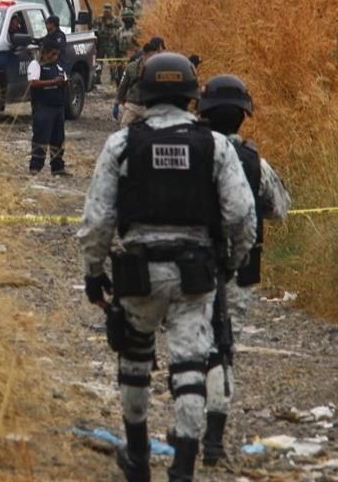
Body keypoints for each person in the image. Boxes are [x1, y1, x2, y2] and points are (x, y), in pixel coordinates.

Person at [77, 52, 256, 482]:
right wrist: (229, 265)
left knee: (134, 363)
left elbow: (97, 219)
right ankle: (182, 470)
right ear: (191, 95)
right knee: (190, 368)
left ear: (145, 91)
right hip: (196, 273)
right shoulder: (214, 145)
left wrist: (92, 273)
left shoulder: (122, 143)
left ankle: (137, 458)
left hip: (138, 271)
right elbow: (242, 217)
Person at [197, 74, 291, 467]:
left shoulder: (191, 150)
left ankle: (185, 426)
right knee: (223, 348)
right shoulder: (254, 160)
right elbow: (279, 208)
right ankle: (214, 440)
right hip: (240, 269)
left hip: (193, 265)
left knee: (191, 347)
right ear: (243, 116)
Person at [27, 37, 70, 176]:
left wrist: (63, 84)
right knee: (41, 137)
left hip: (57, 107)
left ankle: (57, 166)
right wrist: (53, 82)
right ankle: (36, 166)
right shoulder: (36, 65)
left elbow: (64, 81)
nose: (54, 57)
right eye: (52, 54)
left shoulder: (58, 67)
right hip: (43, 107)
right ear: (44, 53)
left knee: (58, 139)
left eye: (56, 55)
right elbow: (33, 83)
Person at [114, 36, 166, 126]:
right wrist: (117, 102)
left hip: (150, 106)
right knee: (124, 126)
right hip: (133, 104)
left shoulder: (159, 67)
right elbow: (123, 85)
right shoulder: (132, 66)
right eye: (161, 48)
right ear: (145, 55)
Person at [95, 3, 123, 80]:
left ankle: (114, 77)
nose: (106, 10)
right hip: (101, 42)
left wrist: (110, 24)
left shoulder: (114, 19)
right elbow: (94, 26)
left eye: (108, 8)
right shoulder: (99, 18)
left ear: (111, 10)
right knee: (99, 61)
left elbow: (120, 25)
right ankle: (97, 78)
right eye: (105, 8)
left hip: (110, 42)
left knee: (112, 61)